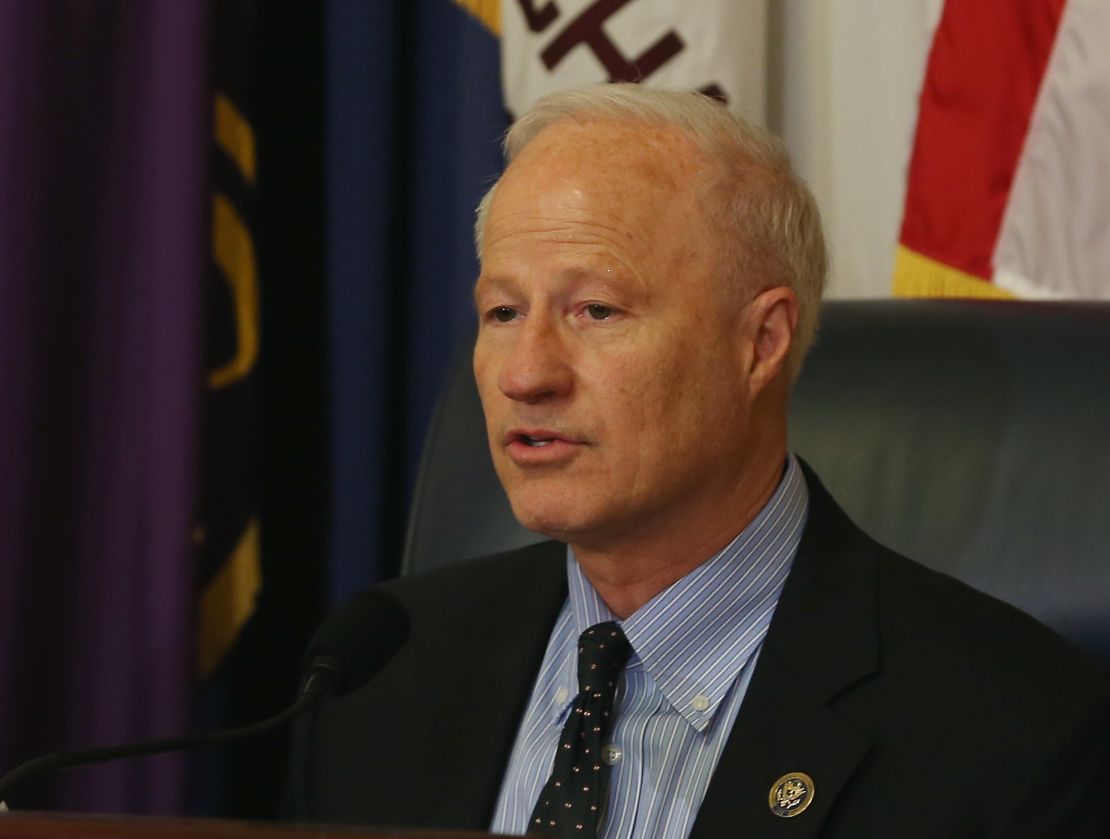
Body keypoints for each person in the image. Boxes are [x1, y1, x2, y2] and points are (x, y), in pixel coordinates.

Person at [286, 84, 1110, 837]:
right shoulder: (376, 676)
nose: (523, 372)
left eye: (596, 309)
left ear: (760, 343)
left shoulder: (1014, 730)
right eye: (502, 311)